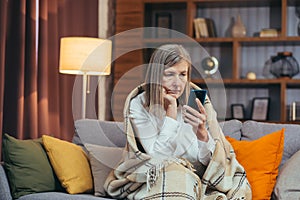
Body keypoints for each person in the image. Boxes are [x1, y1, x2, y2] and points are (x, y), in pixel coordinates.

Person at [104, 44, 252, 199]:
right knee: (175, 177)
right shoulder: (139, 104)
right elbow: (157, 158)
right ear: (156, 76)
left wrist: (202, 135)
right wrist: (171, 113)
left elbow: (207, 163)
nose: (177, 83)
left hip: (195, 176)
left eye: (182, 74)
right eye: (170, 74)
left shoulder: (195, 101)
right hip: (158, 177)